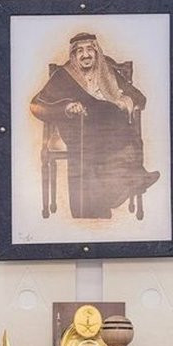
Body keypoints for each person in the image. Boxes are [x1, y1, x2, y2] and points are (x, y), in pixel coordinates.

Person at [30, 32, 160, 219]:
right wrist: (66, 107)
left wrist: (125, 100)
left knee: (112, 115)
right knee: (108, 118)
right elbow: (36, 105)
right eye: (80, 51)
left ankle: (124, 184)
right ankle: (131, 180)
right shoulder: (63, 76)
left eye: (90, 50)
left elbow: (139, 97)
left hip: (110, 126)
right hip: (77, 127)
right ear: (73, 55)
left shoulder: (108, 71)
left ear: (96, 52)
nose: (85, 55)